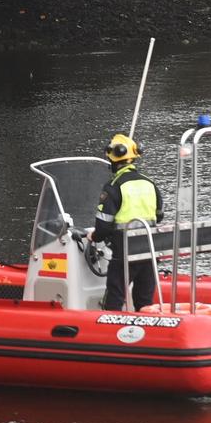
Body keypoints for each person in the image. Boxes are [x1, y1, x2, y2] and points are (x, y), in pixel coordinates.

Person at [91, 133, 161, 311]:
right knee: (144, 301)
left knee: (114, 297)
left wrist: (94, 236)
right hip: (149, 251)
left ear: (112, 160)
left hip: (124, 254)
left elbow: (103, 226)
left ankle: (109, 335)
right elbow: (158, 215)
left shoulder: (113, 186)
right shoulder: (149, 183)